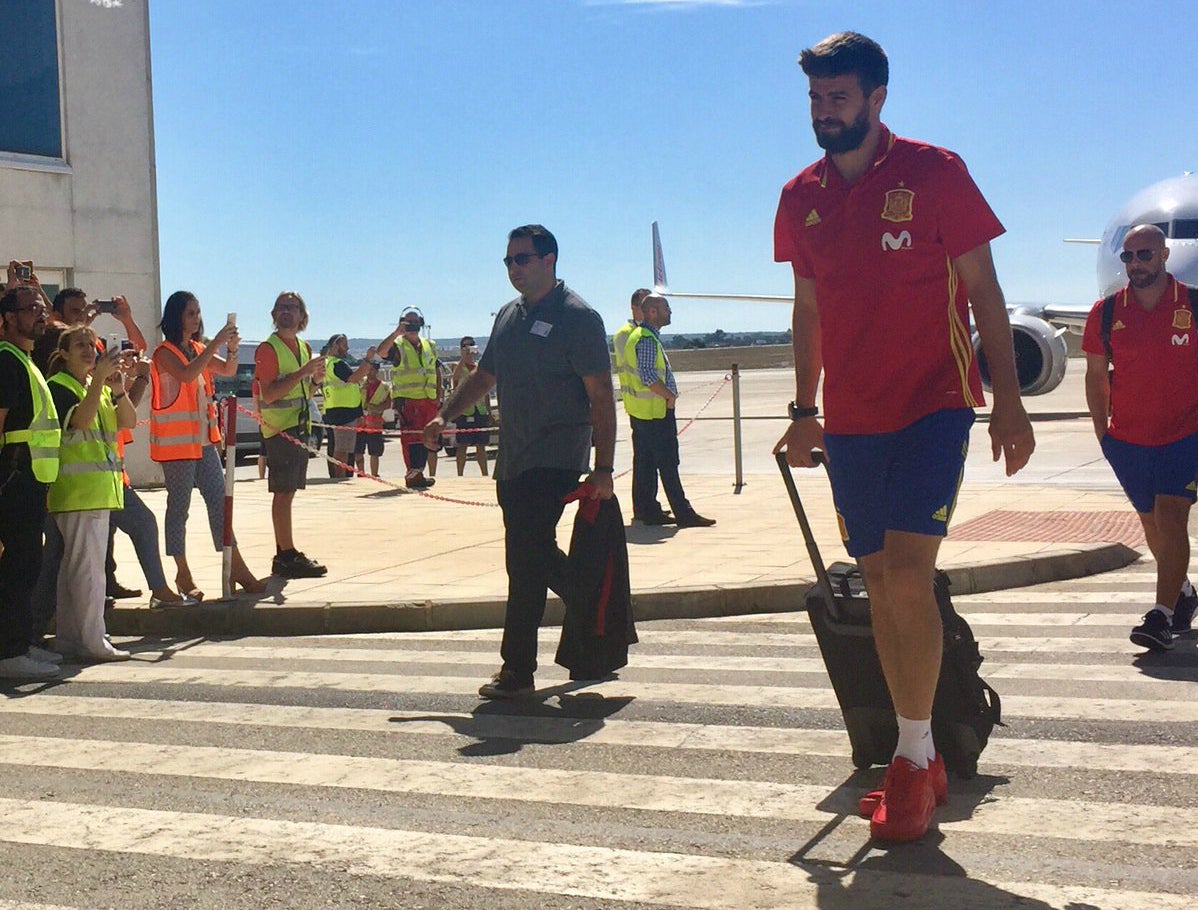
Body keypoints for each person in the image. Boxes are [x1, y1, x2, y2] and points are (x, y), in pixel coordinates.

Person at [772, 32, 1034, 842]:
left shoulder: (935, 173)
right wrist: (801, 409)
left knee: (910, 576)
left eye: (838, 98)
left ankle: (915, 761)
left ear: (877, 98)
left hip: (934, 402)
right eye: (816, 99)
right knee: (878, 580)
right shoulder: (800, 195)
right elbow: (807, 309)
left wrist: (1011, 402)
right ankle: (915, 747)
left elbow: (984, 290)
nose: (824, 113)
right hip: (850, 418)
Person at [425, 224, 617, 700]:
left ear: (549, 259)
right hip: (512, 457)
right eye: (508, 260)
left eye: (523, 259)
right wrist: (443, 415)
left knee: (525, 561)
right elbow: (485, 375)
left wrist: (604, 467)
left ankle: (517, 669)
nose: (514, 268)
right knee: (529, 555)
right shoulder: (509, 316)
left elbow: (601, 399)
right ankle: (597, 607)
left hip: (555, 456)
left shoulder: (578, 317)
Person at [1082, 224, 1198, 652]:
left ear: (1164, 256)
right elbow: (1096, 376)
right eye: (1128, 257)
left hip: (1184, 434)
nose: (1136, 265)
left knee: (1171, 519)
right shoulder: (1107, 312)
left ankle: (1160, 616)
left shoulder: (1193, 303)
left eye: (1145, 255)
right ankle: (1182, 593)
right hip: (1128, 439)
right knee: (1152, 525)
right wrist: (1102, 432)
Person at [150, 292, 265, 599]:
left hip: (202, 443)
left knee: (220, 503)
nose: (196, 318)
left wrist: (231, 349)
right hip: (177, 447)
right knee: (179, 509)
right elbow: (187, 375)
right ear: (176, 317)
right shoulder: (164, 352)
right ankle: (182, 573)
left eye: (198, 312)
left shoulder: (198, 348)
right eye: (190, 313)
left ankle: (236, 566)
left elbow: (227, 371)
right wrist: (215, 345)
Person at [44, 325, 134, 661]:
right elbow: (80, 422)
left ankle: (70, 639)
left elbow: (128, 420)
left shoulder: (95, 387)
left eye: (91, 344)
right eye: (79, 345)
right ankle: (94, 639)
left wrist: (118, 387)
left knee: (76, 569)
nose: (88, 349)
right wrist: (98, 383)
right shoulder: (62, 386)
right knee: (89, 570)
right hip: (79, 493)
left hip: (93, 492)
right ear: (64, 353)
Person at [0, 284, 62, 679]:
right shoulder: (7, 360)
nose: (40, 313)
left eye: (41, 307)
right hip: (14, 477)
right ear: (7, 319)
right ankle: (10, 654)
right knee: (19, 567)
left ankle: (20, 645)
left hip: (31, 478)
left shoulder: (26, 359)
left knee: (27, 564)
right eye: (30, 308)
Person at [253, 292, 329, 578]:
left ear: (302, 315)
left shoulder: (302, 347)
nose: (287, 312)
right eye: (282, 307)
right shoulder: (268, 349)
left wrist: (315, 381)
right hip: (279, 429)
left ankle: (285, 550)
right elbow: (270, 394)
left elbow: (304, 393)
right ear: (274, 314)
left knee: (289, 492)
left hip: (297, 428)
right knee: (283, 492)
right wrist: (303, 373)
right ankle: (285, 554)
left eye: (293, 307)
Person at [625, 293, 716, 528]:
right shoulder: (645, 338)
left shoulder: (639, 336)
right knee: (668, 463)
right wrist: (669, 396)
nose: (670, 312)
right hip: (656, 413)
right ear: (653, 312)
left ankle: (647, 511)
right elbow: (647, 376)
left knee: (645, 464)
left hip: (643, 413)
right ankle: (684, 514)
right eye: (666, 308)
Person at [615, 288, 668, 523]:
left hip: (647, 405)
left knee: (648, 460)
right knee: (646, 461)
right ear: (636, 308)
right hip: (641, 405)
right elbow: (642, 372)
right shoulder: (630, 334)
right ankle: (646, 508)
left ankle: (648, 505)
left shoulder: (640, 332)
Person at [380, 309, 439, 489]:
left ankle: (419, 472)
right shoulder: (398, 345)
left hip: (428, 399)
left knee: (428, 438)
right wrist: (396, 333)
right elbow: (382, 352)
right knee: (412, 438)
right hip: (408, 400)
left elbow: (435, 369)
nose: (412, 327)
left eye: (415, 323)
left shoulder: (429, 345)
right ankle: (413, 474)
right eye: (408, 323)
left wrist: (438, 396)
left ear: (421, 323)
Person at [321, 334, 376, 478]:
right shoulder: (336, 364)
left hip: (336, 409)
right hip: (343, 412)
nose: (348, 348)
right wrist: (368, 359)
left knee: (339, 447)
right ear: (335, 346)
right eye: (344, 345)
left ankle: (338, 475)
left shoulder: (327, 363)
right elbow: (354, 378)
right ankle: (340, 477)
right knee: (342, 448)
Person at [451, 336, 492, 476]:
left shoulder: (479, 367)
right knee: (462, 445)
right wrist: (464, 358)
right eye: (465, 346)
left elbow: (485, 390)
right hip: (464, 411)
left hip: (479, 410)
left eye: (471, 345)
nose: (468, 348)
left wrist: (489, 412)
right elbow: (455, 379)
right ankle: (460, 475)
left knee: (481, 445)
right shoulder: (458, 366)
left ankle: (484, 474)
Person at [356, 367, 390, 478]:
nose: (369, 372)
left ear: (376, 371)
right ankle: (361, 474)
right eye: (368, 370)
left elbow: (388, 403)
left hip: (374, 423)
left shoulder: (384, 387)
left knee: (374, 452)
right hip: (360, 423)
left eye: (372, 370)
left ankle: (374, 475)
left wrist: (378, 408)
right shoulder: (360, 384)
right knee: (358, 451)